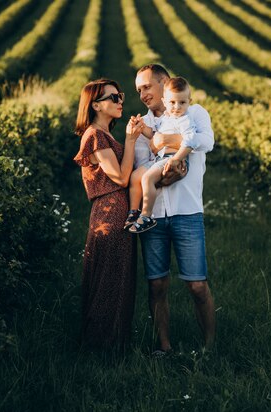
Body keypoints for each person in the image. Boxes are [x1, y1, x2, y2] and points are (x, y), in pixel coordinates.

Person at [133, 64, 216, 355]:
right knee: (157, 284)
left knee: (197, 285)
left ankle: (209, 346)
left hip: (187, 210)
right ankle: (164, 346)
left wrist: (168, 141)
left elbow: (207, 141)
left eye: (147, 87)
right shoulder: (142, 125)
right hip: (154, 217)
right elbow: (141, 168)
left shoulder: (195, 112)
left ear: (164, 83)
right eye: (138, 90)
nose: (142, 94)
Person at [73, 78, 143, 350]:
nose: (121, 101)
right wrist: (130, 139)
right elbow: (121, 177)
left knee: (117, 279)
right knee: (109, 281)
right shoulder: (95, 135)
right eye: (114, 98)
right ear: (96, 105)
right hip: (109, 212)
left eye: (121, 96)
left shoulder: (104, 134)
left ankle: (111, 345)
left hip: (114, 211)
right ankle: (101, 347)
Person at [125, 76, 195, 234]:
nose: (177, 107)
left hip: (172, 158)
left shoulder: (185, 120)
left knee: (147, 178)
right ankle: (133, 212)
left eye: (182, 103)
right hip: (160, 159)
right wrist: (142, 127)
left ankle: (146, 216)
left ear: (189, 101)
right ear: (165, 102)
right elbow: (154, 135)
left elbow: (191, 142)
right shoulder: (166, 120)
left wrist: (177, 159)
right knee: (136, 176)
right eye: (172, 103)